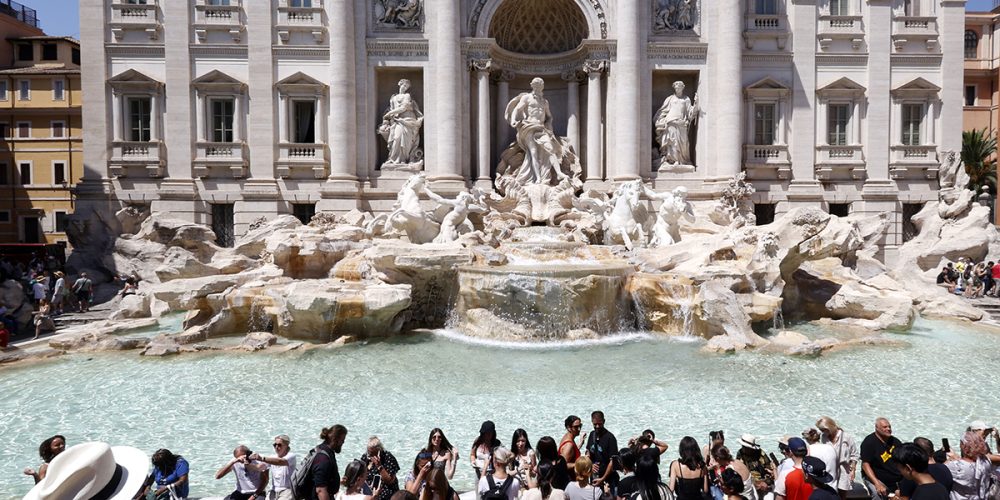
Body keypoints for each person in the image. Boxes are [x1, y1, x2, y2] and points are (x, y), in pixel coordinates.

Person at [23, 441, 148, 500]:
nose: (62, 446)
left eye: (63, 443)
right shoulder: (47, 467)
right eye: (57, 445)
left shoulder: (61, 464)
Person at [504, 77, 570, 185]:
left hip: (541, 128)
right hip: (529, 127)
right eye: (536, 86)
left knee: (550, 149)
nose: (538, 88)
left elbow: (549, 116)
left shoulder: (545, 102)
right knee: (533, 153)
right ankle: (538, 178)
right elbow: (517, 109)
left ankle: (559, 173)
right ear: (532, 86)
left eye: (540, 86)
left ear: (542, 87)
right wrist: (513, 120)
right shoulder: (527, 98)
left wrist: (549, 125)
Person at [378, 78, 424, 166]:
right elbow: (392, 109)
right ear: (399, 84)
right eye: (404, 85)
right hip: (396, 121)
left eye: (407, 86)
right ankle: (393, 159)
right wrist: (388, 119)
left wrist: (390, 113)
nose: (405, 87)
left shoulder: (407, 96)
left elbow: (403, 108)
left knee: (404, 140)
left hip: (407, 120)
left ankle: (402, 159)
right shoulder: (393, 98)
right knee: (396, 138)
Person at [653, 81, 699, 167]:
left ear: (683, 87)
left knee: (683, 143)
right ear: (674, 88)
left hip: (681, 123)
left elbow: (690, 112)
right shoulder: (670, 98)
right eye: (676, 86)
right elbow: (662, 111)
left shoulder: (686, 99)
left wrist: (696, 104)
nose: (677, 88)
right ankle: (672, 161)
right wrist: (661, 120)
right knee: (672, 142)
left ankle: (681, 160)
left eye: (679, 86)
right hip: (670, 122)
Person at [816, 417, 859, 500]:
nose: (823, 432)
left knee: (842, 495)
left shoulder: (846, 437)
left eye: (824, 429)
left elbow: (854, 455)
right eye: (821, 430)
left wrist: (853, 470)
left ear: (830, 426)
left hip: (844, 470)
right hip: (829, 469)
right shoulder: (824, 437)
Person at [860, 418, 903, 500]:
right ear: (877, 428)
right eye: (885, 427)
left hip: (895, 478)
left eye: (889, 427)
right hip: (876, 478)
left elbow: (902, 460)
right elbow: (865, 465)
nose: (888, 429)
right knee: (877, 494)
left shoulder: (895, 441)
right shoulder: (869, 443)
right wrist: (877, 483)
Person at [945, 432, 994, 500]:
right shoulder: (986, 461)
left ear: (964, 446)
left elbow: (938, 471)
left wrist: (949, 460)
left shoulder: (955, 466)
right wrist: (957, 458)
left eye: (961, 443)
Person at [251, 434, 297, 500]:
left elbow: (280, 461)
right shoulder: (272, 457)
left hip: (287, 490)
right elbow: (259, 468)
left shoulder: (291, 456)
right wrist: (247, 463)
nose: (276, 447)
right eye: (275, 445)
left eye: (279, 445)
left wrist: (262, 458)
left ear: (286, 446)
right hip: (273, 490)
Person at [312, 424, 348, 500]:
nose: (343, 442)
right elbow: (320, 490)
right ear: (335, 439)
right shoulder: (323, 458)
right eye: (342, 440)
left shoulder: (322, 450)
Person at [587, 411, 620, 492]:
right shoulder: (592, 435)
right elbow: (588, 451)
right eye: (595, 424)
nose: (597, 426)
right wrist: (590, 464)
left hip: (608, 480)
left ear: (604, 421)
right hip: (594, 477)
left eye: (600, 424)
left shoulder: (610, 438)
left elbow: (613, 461)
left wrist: (602, 478)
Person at [736, 435, 774, 500]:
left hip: (764, 483)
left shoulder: (760, 454)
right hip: (749, 483)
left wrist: (766, 482)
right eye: (743, 446)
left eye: (746, 447)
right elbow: (739, 470)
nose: (744, 449)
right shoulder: (740, 453)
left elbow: (771, 471)